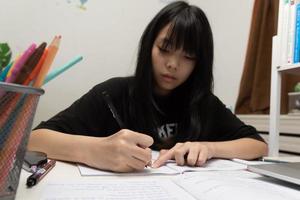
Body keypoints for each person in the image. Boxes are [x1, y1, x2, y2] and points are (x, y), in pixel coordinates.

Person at [28, 1, 268, 172]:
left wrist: (208, 147)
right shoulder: (112, 94)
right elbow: (34, 140)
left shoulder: (202, 103)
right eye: (165, 49)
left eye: (189, 56)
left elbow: (257, 145)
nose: (173, 64)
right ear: (149, 46)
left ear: (200, 63)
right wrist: (96, 149)